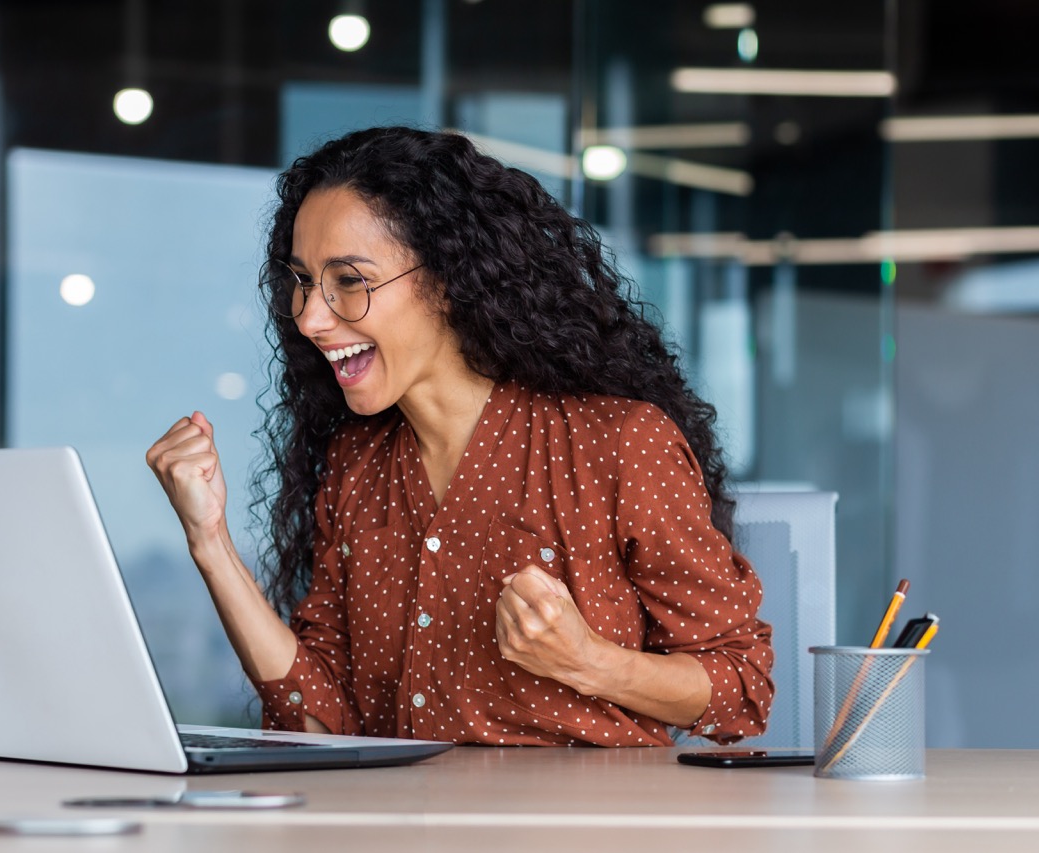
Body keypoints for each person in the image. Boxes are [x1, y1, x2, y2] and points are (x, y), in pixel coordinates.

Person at [147, 126, 773, 747]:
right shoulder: (356, 465)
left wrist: (587, 660)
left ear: (447, 280)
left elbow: (740, 690)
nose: (311, 316)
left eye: (349, 281)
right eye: (304, 281)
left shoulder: (619, 446)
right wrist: (211, 542)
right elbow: (323, 725)